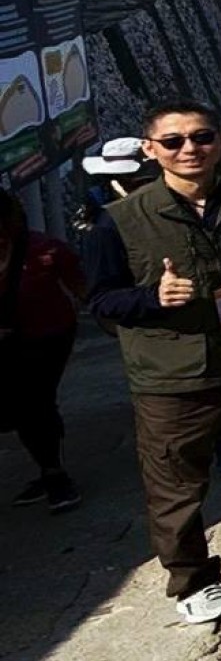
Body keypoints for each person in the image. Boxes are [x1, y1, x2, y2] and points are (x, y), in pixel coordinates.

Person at [84, 102, 221, 623]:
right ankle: (194, 580)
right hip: (171, 374)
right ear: (150, 150)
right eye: (173, 141)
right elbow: (101, 301)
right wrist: (152, 298)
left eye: (202, 137)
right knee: (176, 484)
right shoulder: (119, 220)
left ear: (220, 142)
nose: (190, 149)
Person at [1, 187, 87, 512]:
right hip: (5, 343)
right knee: (19, 407)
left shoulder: (44, 249)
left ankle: (54, 474)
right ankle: (47, 465)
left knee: (34, 401)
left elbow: (80, 286)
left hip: (48, 336)